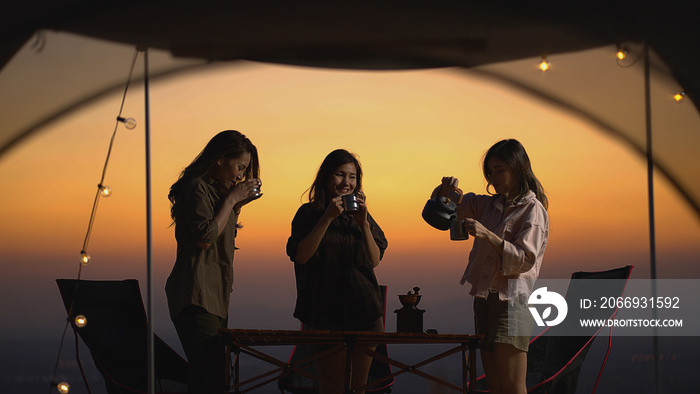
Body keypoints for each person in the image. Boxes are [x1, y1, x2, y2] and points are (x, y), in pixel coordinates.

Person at [433, 139, 548, 394]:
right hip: (485, 299)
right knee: (495, 385)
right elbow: (445, 213)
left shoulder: (533, 210)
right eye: (490, 172)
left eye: (500, 171)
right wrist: (442, 192)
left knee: (512, 385)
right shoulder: (487, 205)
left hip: (512, 303)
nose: (493, 177)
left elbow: (525, 259)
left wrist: (489, 236)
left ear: (518, 169)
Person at [165, 130, 261, 394]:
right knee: (211, 376)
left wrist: (236, 204)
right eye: (239, 167)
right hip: (196, 295)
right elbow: (205, 239)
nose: (241, 175)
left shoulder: (217, 196)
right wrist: (231, 199)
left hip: (214, 297)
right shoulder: (196, 186)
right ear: (220, 159)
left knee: (213, 375)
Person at [286, 149, 387, 394]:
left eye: (352, 177)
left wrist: (363, 222)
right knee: (332, 388)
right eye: (340, 175)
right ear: (326, 177)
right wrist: (328, 218)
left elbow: (374, 260)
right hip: (324, 311)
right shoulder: (309, 214)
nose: (346, 182)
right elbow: (301, 255)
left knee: (357, 388)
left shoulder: (362, 217)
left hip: (365, 310)